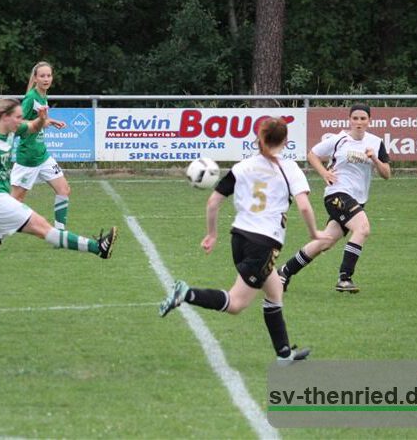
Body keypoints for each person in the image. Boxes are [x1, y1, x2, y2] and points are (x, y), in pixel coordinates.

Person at [0, 98, 117, 323]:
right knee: (44, 229)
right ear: (4, 116)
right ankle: (98, 247)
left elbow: (34, 126)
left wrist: (42, 118)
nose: (20, 120)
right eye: (17, 116)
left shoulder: (12, 132)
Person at [159, 118, 330, 362]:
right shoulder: (290, 168)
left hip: (238, 238)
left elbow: (213, 202)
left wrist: (212, 234)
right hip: (263, 243)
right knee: (237, 304)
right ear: (285, 141)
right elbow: (303, 207)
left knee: (275, 291)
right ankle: (186, 294)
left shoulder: (243, 166)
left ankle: (284, 354)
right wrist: (314, 233)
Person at [277, 104, 391, 293]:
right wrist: (324, 173)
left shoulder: (376, 143)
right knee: (362, 228)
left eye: (363, 118)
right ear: (349, 120)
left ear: (369, 121)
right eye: (355, 118)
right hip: (337, 194)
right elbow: (312, 154)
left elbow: (386, 174)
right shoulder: (339, 139)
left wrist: (375, 160)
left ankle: (284, 271)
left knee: (326, 241)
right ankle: (345, 278)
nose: (359, 122)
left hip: (358, 199)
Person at [11, 61, 70, 230]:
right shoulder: (31, 97)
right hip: (28, 157)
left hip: (42, 155)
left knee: (64, 189)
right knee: (14, 202)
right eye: (42, 76)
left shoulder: (43, 95)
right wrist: (40, 123)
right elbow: (18, 124)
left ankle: (60, 233)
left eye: (49, 75)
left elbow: (39, 120)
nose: (46, 79)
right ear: (35, 78)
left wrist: (50, 121)